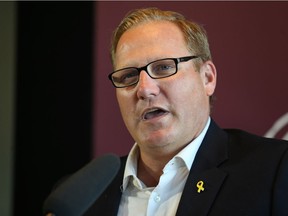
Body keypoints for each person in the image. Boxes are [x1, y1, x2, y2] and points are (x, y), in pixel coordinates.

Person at [86, 8, 288, 215]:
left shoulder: (276, 170)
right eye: (128, 76)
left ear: (207, 77)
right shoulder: (82, 195)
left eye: (164, 68)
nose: (145, 89)